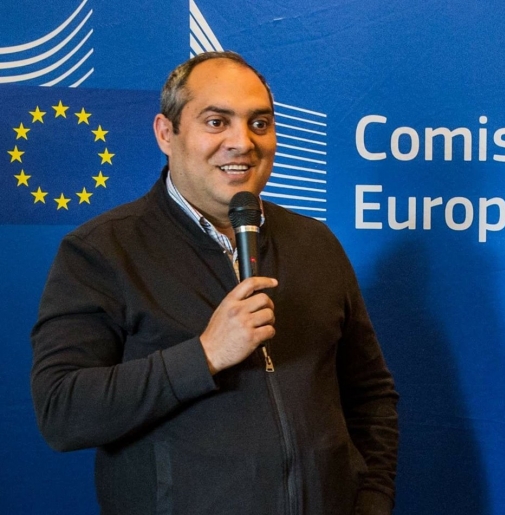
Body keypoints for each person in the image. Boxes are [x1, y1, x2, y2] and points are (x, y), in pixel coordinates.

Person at [31, 51, 399, 515]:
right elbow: (62, 412)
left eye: (259, 123)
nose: (242, 143)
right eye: (216, 122)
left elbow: (370, 395)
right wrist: (204, 355)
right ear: (166, 134)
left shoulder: (315, 242)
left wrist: (371, 501)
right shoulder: (101, 251)